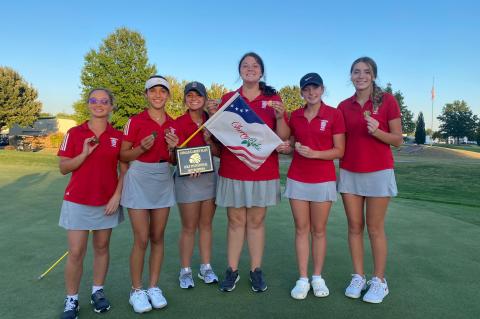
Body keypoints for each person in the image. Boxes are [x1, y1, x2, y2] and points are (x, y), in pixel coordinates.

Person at [207, 52, 289, 293]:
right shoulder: (228, 98)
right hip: (233, 169)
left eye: (255, 66)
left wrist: (281, 116)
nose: (250, 69)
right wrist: (213, 114)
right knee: (235, 221)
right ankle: (232, 270)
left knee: (256, 222)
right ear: (239, 71)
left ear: (261, 72)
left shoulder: (273, 98)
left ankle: (255, 270)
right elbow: (219, 134)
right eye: (245, 65)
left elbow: (282, 136)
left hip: (263, 170)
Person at [337, 57, 403, 304]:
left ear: (373, 75)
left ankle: (379, 280)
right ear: (350, 76)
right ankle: (358, 277)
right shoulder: (344, 106)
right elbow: (337, 140)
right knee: (354, 227)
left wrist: (377, 131)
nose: (361, 75)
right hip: (350, 172)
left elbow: (397, 140)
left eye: (366, 72)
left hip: (378, 171)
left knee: (374, 227)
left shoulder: (388, 101)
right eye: (356, 72)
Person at [57, 88, 126, 319]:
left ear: (111, 106)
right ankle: (72, 299)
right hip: (77, 200)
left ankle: (97, 291)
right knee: (76, 252)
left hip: (106, 202)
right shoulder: (75, 133)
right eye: (94, 100)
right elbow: (63, 167)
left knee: (102, 247)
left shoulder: (118, 136)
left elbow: (123, 169)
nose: (99, 104)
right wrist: (84, 153)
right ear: (88, 104)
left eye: (104, 101)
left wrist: (117, 195)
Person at [278, 73, 345, 300]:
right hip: (297, 177)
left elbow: (339, 151)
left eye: (315, 88)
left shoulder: (334, 114)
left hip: (323, 179)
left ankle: (317, 277)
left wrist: (315, 154)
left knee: (318, 230)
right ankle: (303, 278)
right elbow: (291, 142)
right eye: (307, 89)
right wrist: (287, 148)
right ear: (302, 92)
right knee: (301, 229)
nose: (311, 92)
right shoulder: (295, 115)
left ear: (322, 89)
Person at [120, 75, 177, 313]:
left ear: (168, 96)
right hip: (139, 177)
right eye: (153, 91)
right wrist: (140, 148)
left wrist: (174, 149)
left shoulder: (173, 124)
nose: (157, 95)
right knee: (142, 238)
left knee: (158, 236)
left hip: (163, 177)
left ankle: (153, 287)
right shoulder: (135, 121)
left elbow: (175, 162)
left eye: (162, 91)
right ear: (146, 95)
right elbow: (123, 155)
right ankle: (137, 290)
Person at [170, 81, 221, 288]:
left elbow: (220, 152)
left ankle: (206, 267)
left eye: (198, 96)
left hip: (209, 179)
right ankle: (185, 270)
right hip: (187, 181)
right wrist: (174, 150)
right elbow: (174, 159)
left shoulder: (213, 121)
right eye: (189, 96)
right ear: (185, 99)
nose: (193, 99)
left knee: (206, 225)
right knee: (189, 227)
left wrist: (209, 141)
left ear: (204, 99)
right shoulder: (178, 122)